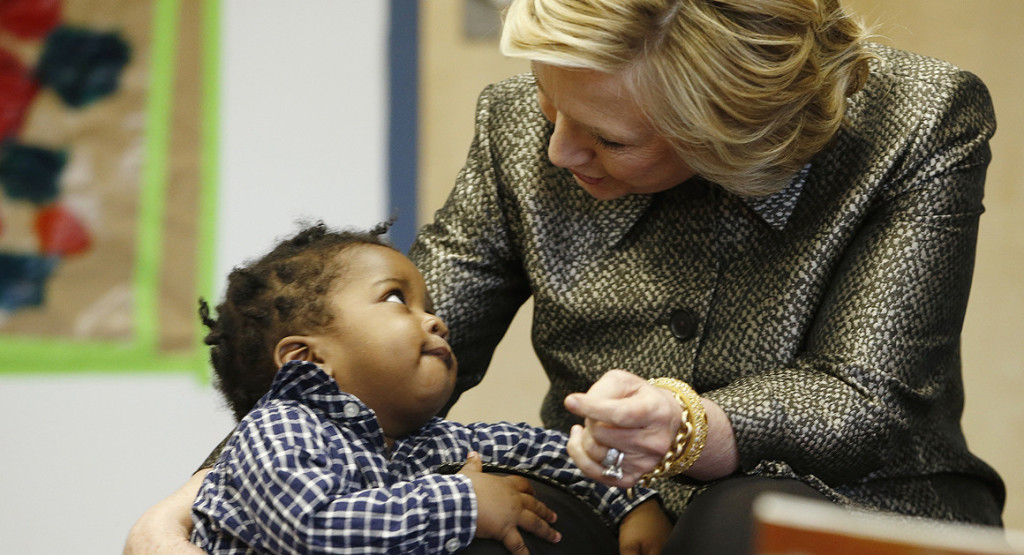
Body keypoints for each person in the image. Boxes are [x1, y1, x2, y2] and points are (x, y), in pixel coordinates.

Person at [125, 0, 1005, 552]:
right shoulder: (517, 133)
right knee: (458, 529)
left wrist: (692, 423)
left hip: (850, 494)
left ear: (727, 128)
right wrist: (201, 502)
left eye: (609, 137)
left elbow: (869, 398)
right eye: (550, 106)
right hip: (595, 501)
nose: (556, 149)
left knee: (748, 524)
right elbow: (368, 365)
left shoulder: (916, 120)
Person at [185, 222, 670, 554]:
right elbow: (311, 529)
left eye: (430, 304)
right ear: (308, 359)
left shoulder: (433, 440)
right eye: (396, 298)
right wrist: (463, 502)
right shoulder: (279, 430)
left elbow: (552, 452)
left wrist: (632, 502)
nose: (435, 320)